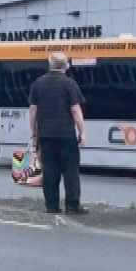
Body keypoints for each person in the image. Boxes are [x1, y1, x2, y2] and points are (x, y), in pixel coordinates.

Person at [26, 51, 87, 214]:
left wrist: (33, 131)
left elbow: (33, 110)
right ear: (65, 66)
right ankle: (72, 205)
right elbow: (75, 110)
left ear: (50, 64)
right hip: (66, 134)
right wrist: (82, 132)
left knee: (50, 171)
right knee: (70, 172)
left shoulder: (38, 83)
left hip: (45, 135)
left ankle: (52, 205)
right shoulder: (69, 84)